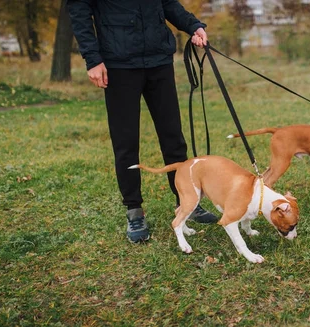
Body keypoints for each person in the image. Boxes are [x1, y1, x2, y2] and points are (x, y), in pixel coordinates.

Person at [67, 0, 219, 243]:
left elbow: (168, 4)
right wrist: (92, 58)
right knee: (126, 142)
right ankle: (134, 211)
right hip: (119, 65)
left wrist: (193, 26)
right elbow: (79, 11)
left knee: (173, 139)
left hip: (159, 61)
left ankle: (186, 202)